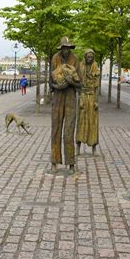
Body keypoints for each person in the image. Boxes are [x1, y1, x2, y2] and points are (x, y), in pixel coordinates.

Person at [50, 36, 82, 174]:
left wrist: (71, 82)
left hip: (70, 99)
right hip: (58, 98)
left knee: (69, 131)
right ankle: (54, 162)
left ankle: (71, 163)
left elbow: (80, 84)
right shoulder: (55, 59)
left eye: (68, 48)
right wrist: (57, 86)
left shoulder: (75, 59)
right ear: (61, 48)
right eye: (64, 48)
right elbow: (50, 81)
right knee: (56, 130)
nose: (66, 50)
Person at [76, 49, 100, 156]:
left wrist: (96, 101)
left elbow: (97, 87)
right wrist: (80, 99)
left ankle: (94, 147)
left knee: (93, 122)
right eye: (88, 57)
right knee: (81, 122)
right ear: (85, 57)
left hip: (92, 97)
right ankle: (78, 146)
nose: (89, 58)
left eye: (91, 57)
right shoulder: (80, 66)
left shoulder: (95, 66)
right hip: (83, 96)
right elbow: (78, 85)